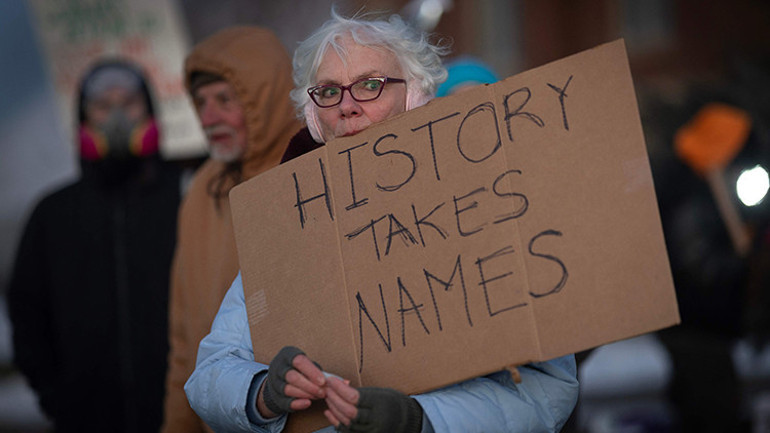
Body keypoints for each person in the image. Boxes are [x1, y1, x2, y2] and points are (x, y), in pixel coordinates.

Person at [185, 11, 579, 433]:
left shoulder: (482, 204)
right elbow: (211, 371)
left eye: (370, 85)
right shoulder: (285, 227)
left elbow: (547, 389)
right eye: (329, 92)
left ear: (414, 96)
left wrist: (420, 419)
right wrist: (263, 393)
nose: (347, 107)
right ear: (315, 117)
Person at [7, 59, 182, 432]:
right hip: (85, 420)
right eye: (102, 106)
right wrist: (57, 399)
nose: (117, 116)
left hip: (183, 417)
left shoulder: (185, 198)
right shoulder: (53, 214)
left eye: (129, 102)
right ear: (83, 120)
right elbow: (27, 314)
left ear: (150, 111)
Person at [161, 27, 301, 433]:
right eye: (201, 102)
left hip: (297, 415)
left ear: (266, 98)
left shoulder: (305, 172)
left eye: (225, 100)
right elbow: (184, 338)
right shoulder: (201, 190)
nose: (208, 119)